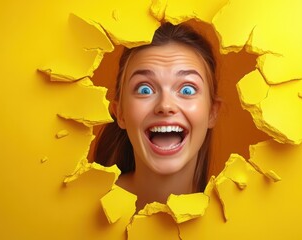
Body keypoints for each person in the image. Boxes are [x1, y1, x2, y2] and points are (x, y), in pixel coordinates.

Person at [94, 22, 220, 210]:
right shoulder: (81, 209)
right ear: (120, 113)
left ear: (212, 112)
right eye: (145, 89)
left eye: (187, 89)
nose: (165, 106)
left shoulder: (232, 219)